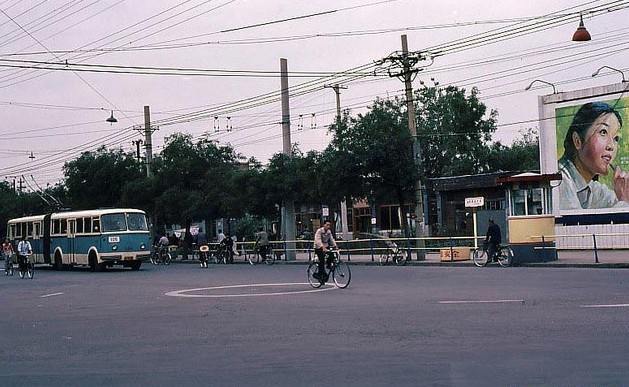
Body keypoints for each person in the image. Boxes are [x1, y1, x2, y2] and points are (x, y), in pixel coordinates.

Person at [558, 101, 629, 210]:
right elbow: (575, 225)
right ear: (577, 141)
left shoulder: (593, 189)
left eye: (616, 138)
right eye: (603, 132)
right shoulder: (560, 180)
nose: (611, 146)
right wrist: (624, 201)